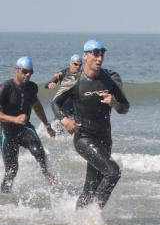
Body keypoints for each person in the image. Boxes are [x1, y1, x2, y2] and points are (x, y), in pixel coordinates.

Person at [52, 39, 129, 209]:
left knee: (90, 188)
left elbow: (125, 107)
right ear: (85, 56)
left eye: (101, 54)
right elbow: (55, 103)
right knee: (113, 172)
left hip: (105, 139)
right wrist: (65, 121)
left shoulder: (109, 80)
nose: (99, 58)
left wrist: (114, 103)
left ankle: (78, 219)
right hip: (84, 138)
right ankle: (94, 214)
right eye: (95, 54)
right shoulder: (73, 79)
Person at [0, 57, 56, 193]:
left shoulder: (32, 87)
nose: (28, 75)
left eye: (31, 72)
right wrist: (14, 119)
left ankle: (47, 176)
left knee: (39, 152)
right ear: (16, 70)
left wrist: (47, 125)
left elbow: (36, 106)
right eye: (25, 71)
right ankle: (4, 199)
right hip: (7, 131)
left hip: (25, 128)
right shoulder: (5, 88)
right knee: (12, 170)